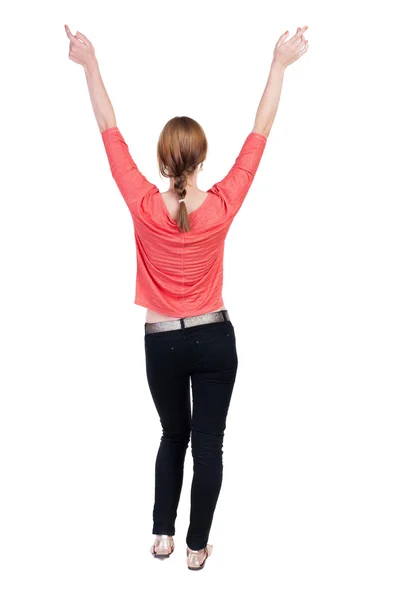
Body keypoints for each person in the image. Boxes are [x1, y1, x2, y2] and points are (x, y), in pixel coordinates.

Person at [64, 23, 309, 571]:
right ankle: (197, 548)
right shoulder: (222, 205)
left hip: (162, 344)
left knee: (173, 434)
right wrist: (278, 65)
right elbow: (259, 134)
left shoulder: (143, 203)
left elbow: (109, 130)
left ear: (162, 159)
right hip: (216, 338)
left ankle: (162, 537)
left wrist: (90, 65)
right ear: (200, 159)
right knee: (210, 445)